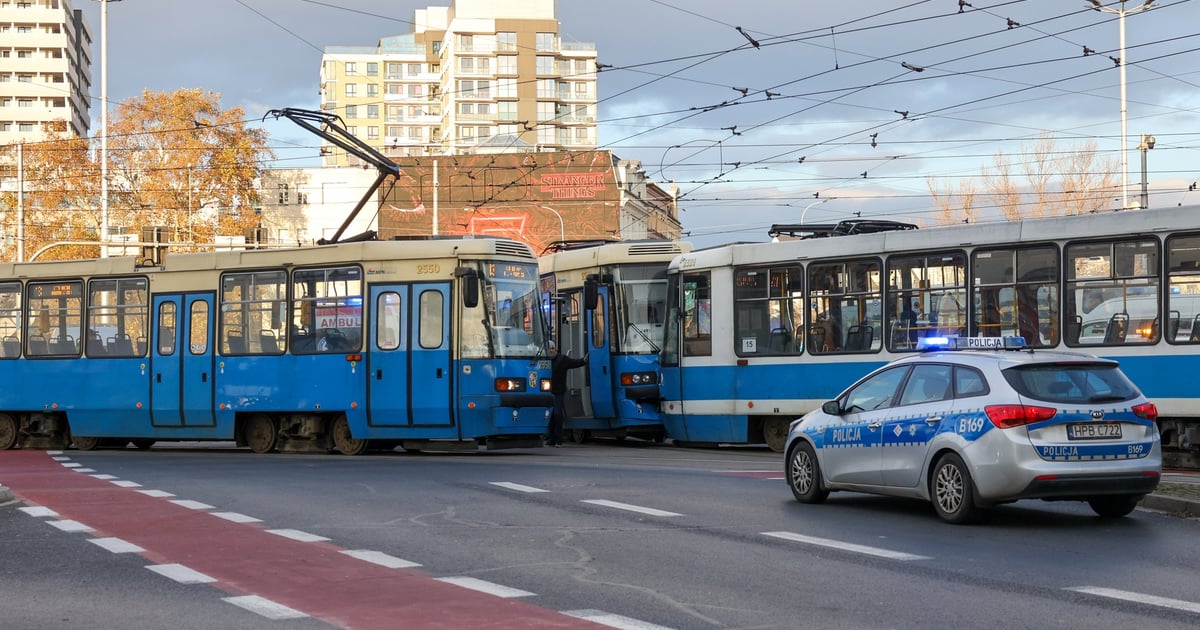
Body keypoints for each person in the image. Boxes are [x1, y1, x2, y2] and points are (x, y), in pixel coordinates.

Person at [546, 341, 587, 447]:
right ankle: (551, 438)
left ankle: (558, 439)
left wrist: (583, 361)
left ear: (555, 349)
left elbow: (573, 363)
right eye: (549, 349)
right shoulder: (544, 360)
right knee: (550, 415)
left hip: (558, 391)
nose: (551, 350)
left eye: (552, 348)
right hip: (547, 392)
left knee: (557, 414)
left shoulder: (562, 359)